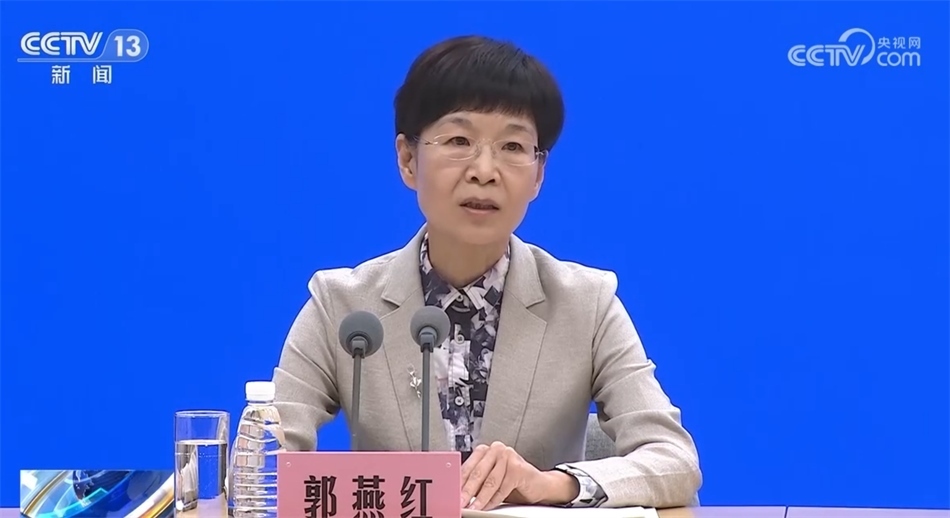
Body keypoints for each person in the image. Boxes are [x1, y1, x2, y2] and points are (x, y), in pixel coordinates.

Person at [271, 34, 702, 511]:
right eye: (459, 141)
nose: (484, 170)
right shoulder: (343, 307)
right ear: (408, 160)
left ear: (538, 174)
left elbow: (674, 460)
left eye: (513, 146)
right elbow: (265, 464)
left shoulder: (586, 304)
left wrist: (551, 484)